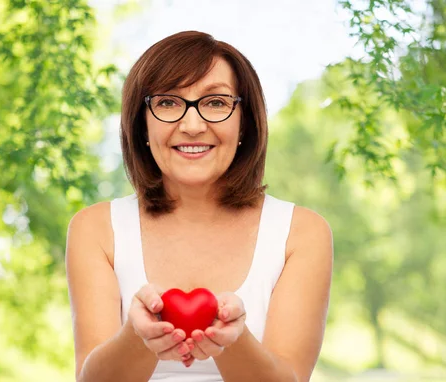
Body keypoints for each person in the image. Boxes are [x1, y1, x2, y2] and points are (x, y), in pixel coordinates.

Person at [66, 30, 333, 382]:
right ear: (141, 124)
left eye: (216, 103)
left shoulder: (302, 232)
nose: (192, 125)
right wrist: (137, 336)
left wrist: (232, 340)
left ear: (245, 123)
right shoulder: (95, 228)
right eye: (167, 103)